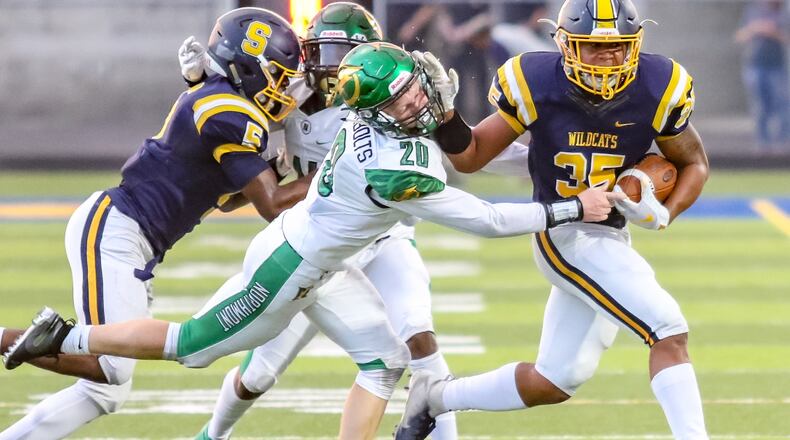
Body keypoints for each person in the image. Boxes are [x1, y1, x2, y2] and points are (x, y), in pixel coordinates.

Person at [3, 42, 622, 439]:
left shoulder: (360, 117)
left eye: (415, 86)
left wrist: (202, 73)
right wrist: (570, 208)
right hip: (289, 268)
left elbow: (300, 85)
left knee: (386, 362)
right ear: (378, 112)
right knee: (189, 346)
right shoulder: (393, 169)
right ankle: (67, 337)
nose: (418, 98)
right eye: (404, 97)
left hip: (322, 261)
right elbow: (485, 220)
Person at [395, 0, 710, 438]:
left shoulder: (658, 86)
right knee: (668, 330)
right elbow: (470, 157)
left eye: (618, 47)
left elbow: (695, 163)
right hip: (564, 232)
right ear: (565, 45)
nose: (608, 59)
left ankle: (436, 396)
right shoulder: (537, 82)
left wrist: (662, 213)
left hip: (610, 234)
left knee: (556, 379)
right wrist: (447, 118)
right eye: (593, 47)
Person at [0, 8, 311, 440]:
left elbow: (226, 201)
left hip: (129, 234)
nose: (284, 88)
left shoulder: (220, 100)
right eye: (277, 76)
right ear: (246, 68)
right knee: (110, 368)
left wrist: (273, 173)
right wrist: (332, 171)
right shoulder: (228, 113)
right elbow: (273, 205)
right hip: (117, 230)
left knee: (105, 390)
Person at [178, 3, 472, 439]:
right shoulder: (289, 92)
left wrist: (444, 114)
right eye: (325, 53)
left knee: (420, 341)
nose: (334, 68)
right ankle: (212, 434)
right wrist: (204, 82)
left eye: (346, 55)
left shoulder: (389, 96)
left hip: (383, 239)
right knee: (257, 374)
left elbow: (450, 143)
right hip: (314, 244)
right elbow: (230, 115)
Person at [734, 0, 790, 149]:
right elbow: (739, 36)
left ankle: (784, 142)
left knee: (782, 104)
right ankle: (763, 143)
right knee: (760, 106)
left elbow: (787, 38)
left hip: (777, 66)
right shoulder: (752, 11)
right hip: (755, 65)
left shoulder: (784, 13)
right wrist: (755, 29)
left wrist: (774, 33)